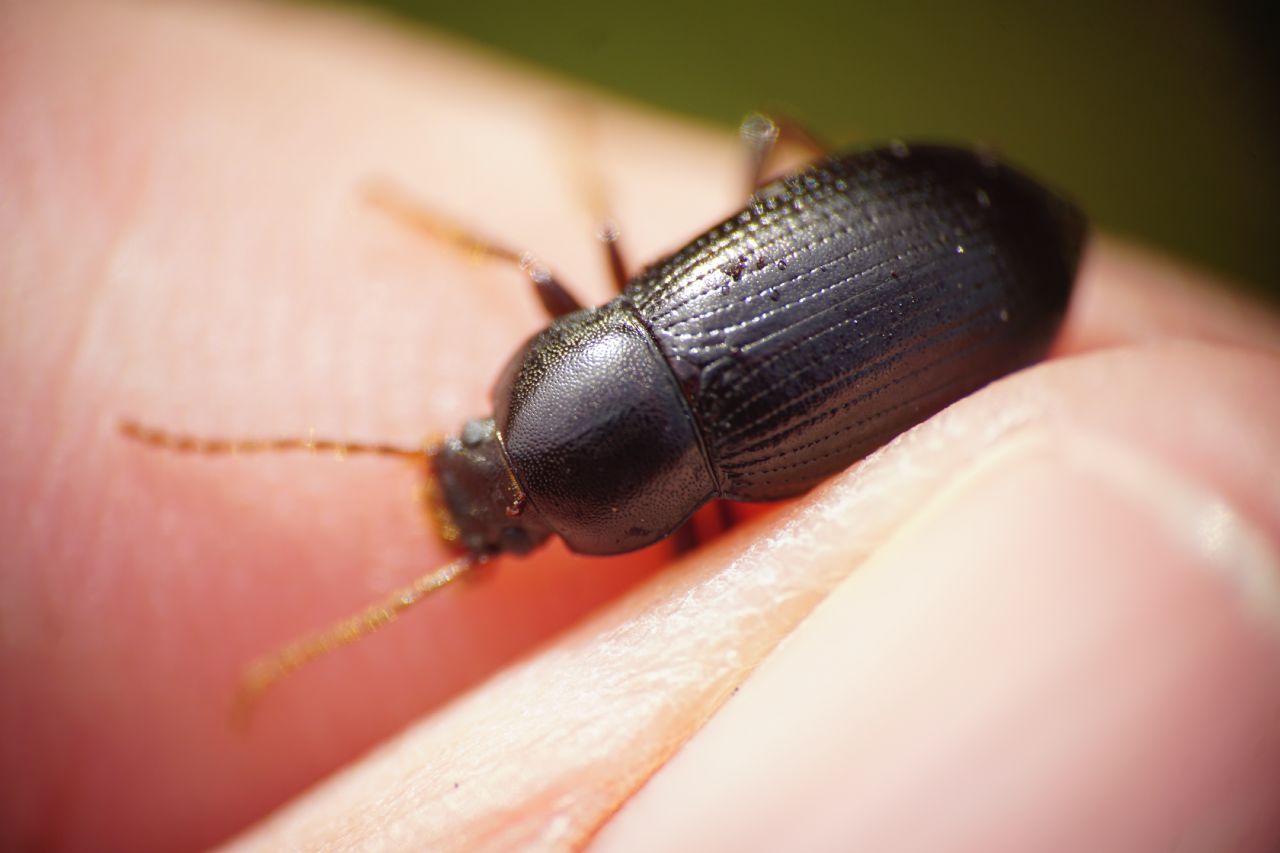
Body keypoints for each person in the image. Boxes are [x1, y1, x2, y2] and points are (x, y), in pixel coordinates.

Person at [3, 2, 1278, 851]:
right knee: (763, 146)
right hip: (956, 236)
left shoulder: (698, 495)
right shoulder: (615, 327)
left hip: (975, 254)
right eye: (514, 502)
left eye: (489, 455)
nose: (489, 481)